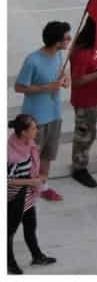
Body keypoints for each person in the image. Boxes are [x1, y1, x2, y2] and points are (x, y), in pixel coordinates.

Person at [15, 22, 72, 204]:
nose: (69, 40)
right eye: (66, 37)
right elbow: (19, 87)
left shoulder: (58, 55)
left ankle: (43, 186)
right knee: (31, 157)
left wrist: (65, 78)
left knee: (48, 155)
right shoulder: (33, 60)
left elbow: (59, 73)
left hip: (54, 116)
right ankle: (25, 188)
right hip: (36, 120)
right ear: (57, 41)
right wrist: (48, 87)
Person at [7, 114, 56, 272]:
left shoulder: (27, 143)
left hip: (26, 194)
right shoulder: (10, 154)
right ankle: (9, 262)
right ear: (23, 132)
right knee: (9, 231)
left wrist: (35, 178)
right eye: (34, 128)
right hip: (13, 197)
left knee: (30, 226)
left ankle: (37, 256)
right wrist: (31, 182)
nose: (37, 130)